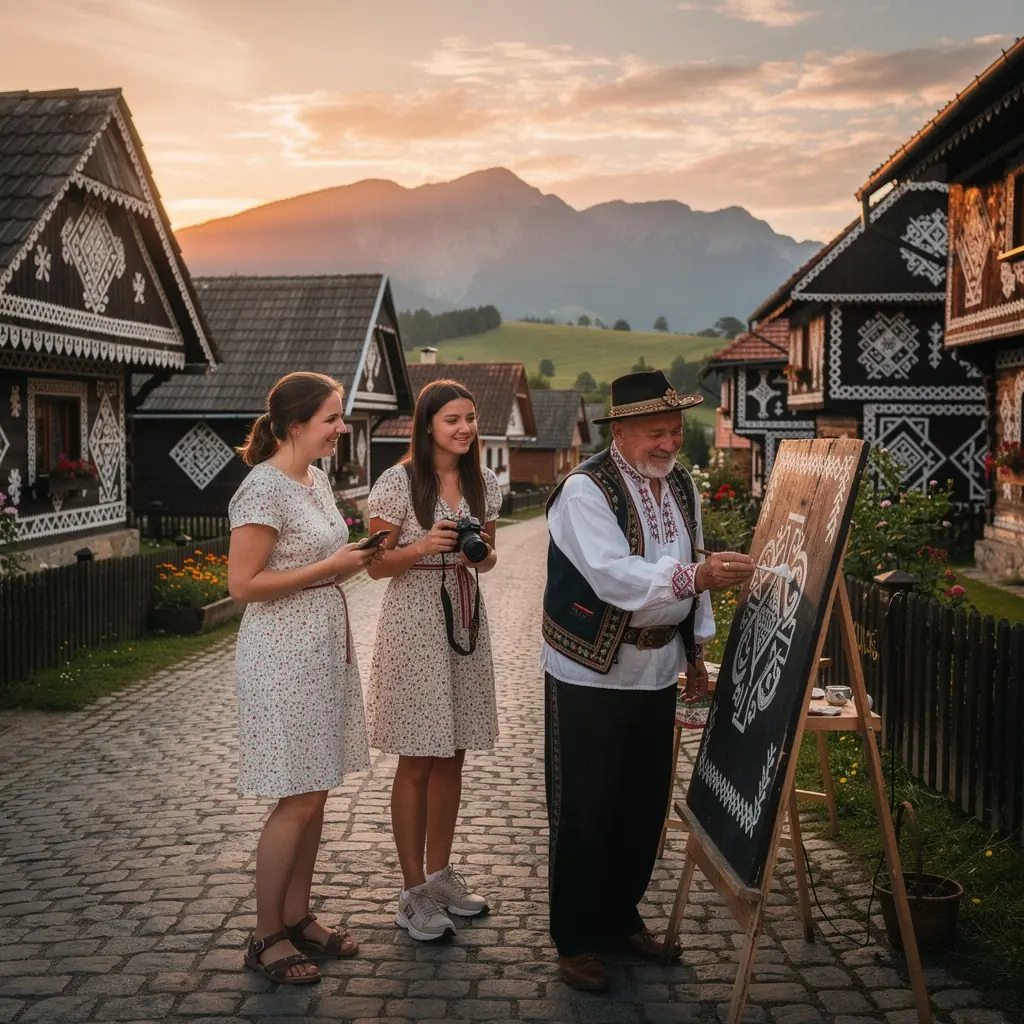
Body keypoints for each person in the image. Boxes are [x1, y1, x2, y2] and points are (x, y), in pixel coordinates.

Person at [541, 369, 755, 992]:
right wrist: (698, 579)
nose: (669, 444)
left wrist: (694, 651)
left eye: (674, 432)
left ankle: (619, 917)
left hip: (658, 666)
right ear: (623, 432)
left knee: (642, 804)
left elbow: (692, 553)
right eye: (656, 433)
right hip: (590, 670)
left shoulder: (680, 483)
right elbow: (617, 578)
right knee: (587, 805)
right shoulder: (585, 490)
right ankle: (577, 937)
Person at [227, 371, 382, 985]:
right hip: (280, 656)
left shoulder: (314, 479)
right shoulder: (261, 490)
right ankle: (265, 936)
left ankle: (296, 917)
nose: (342, 427)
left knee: (316, 789)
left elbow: (320, 563)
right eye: (333, 418)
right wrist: (331, 566)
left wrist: (349, 561)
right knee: (296, 796)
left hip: (323, 648)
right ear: (296, 426)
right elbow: (242, 586)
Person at [365, 379, 502, 942]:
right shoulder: (398, 483)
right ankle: (412, 891)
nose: (465, 428)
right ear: (427, 426)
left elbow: (488, 560)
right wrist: (423, 546)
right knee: (417, 759)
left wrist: (479, 551)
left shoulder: (483, 480)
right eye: (453, 420)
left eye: (470, 418)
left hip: (465, 619)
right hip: (413, 621)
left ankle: (442, 875)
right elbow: (374, 567)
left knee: (454, 755)